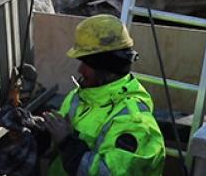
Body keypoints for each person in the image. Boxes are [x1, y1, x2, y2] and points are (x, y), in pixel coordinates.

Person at [41, 14, 166, 175]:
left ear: (105, 68)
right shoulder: (79, 96)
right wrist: (41, 133)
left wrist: (66, 142)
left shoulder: (134, 122)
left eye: (86, 64)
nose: (80, 70)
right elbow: (58, 142)